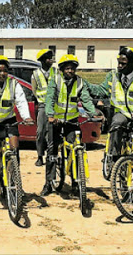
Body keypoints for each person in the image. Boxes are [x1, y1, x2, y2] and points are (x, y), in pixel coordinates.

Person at [0, 55, 34, 207]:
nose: (2, 74)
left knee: (14, 150)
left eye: (5, 71)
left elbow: (21, 101)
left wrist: (27, 117)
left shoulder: (14, 84)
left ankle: (13, 179)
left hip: (9, 121)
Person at [87, 47, 133, 170]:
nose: (119, 66)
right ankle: (114, 158)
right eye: (119, 62)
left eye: (123, 63)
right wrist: (86, 85)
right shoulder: (113, 76)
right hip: (119, 113)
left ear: (132, 64)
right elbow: (102, 90)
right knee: (117, 123)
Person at [42, 54, 97, 196]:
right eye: (67, 68)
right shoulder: (55, 80)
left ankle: (76, 182)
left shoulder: (79, 82)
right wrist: (50, 115)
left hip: (72, 121)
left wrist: (93, 113)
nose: (70, 71)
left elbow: (86, 99)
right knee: (52, 151)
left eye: (72, 68)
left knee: (75, 150)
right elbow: (50, 98)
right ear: (61, 69)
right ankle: (48, 183)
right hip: (55, 121)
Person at [31, 49, 57, 167]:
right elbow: (34, 90)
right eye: (48, 58)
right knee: (40, 132)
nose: (51, 61)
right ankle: (40, 156)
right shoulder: (35, 74)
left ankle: (51, 155)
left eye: (51, 58)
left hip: (54, 106)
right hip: (42, 106)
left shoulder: (56, 73)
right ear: (42, 60)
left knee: (51, 133)